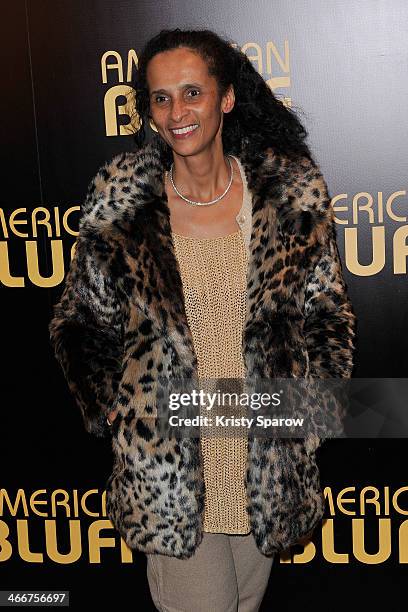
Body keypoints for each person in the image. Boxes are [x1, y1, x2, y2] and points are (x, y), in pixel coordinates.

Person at [48, 28, 357, 612]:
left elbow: (326, 312)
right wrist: (109, 397)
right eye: (161, 98)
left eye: (192, 93)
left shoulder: (290, 196)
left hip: (262, 454)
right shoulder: (123, 203)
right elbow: (81, 319)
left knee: (241, 604)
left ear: (227, 98)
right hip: (173, 467)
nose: (176, 112)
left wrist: (314, 410)